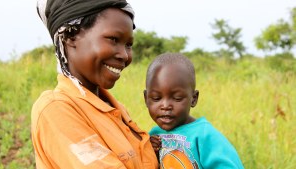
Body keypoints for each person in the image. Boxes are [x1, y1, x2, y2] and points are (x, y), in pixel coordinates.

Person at [31, 0, 158, 168]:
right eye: (113, 39)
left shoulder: (114, 108)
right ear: (70, 37)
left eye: (128, 45)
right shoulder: (55, 109)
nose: (125, 55)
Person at [143, 53, 244, 169]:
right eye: (156, 98)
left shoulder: (204, 135)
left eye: (177, 98)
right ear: (146, 99)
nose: (165, 106)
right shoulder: (154, 135)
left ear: (194, 98)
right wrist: (150, 152)